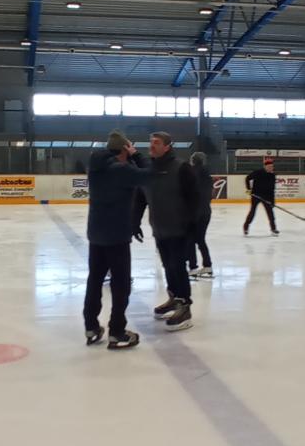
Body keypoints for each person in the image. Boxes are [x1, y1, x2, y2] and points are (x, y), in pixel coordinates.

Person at [83, 131, 155, 349]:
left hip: (96, 234)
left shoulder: (96, 166)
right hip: (116, 236)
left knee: (95, 280)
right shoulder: (120, 170)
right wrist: (137, 155)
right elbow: (149, 174)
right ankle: (117, 331)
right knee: (120, 284)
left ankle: (91, 326)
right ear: (124, 149)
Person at [134, 131, 200, 332]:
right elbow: (141, 198)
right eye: (151, 142)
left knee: (177, 266)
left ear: (167, 146)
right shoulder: (148, 170)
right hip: (160, 228)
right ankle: (174, 298)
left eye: (156, 143)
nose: (151, 146)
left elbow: (195, 199)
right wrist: (134, 222)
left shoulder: (181, 168)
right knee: (167, 266)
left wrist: (192, 227)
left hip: (179, 229)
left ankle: (184, 306)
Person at [188, 152, 214, 278]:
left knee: (190, 240)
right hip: (206, 211)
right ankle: (207, 265)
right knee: (200, 239)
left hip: (194, 212)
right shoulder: (207, 175)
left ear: (193, 161)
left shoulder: (191, 173)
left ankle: (193, 267)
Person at [243, 157, 278, 236]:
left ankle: (273, 229)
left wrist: (272, 201)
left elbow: (272, 189)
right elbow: (247, 178)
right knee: (252, 212)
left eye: (272, 167)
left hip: (266, 197)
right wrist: (248, 189)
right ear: (265, 166)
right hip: (256, 195)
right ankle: (246, 227)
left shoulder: (272, 176)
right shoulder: (258, 172)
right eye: (269, 167)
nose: (271, 168)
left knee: (270, 213)